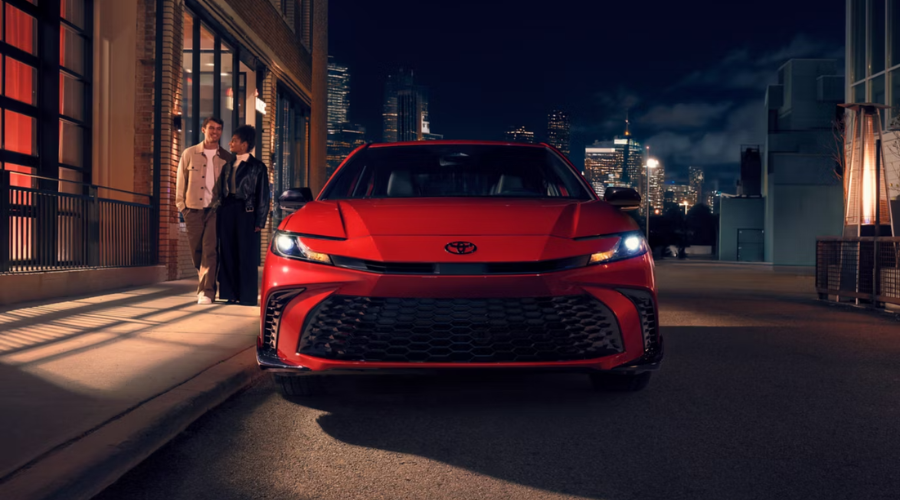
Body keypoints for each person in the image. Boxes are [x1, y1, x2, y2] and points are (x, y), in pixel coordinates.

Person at [175, 117, 234, 305]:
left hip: (215, 210)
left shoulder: (227, 157)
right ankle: (204, 282)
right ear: (203, 129)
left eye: (218, 129)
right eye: (211, 128)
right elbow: (180, 181)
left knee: (210, 250)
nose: (215, 132)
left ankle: (207, 291)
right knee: (197, 251)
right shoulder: (189, 153)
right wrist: (182, 206)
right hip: (192, 209)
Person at [217, 125, 270, 305]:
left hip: (247, 212)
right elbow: (220, 192)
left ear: (245, 144)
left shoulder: (258, 167)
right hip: (228, 211)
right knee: (228, 252)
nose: (230, 143)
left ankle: (247, 296)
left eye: (235, 140)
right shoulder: (228, 165)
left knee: (246, 254)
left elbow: (263, 195)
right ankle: (231, 294)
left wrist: (260, 220)